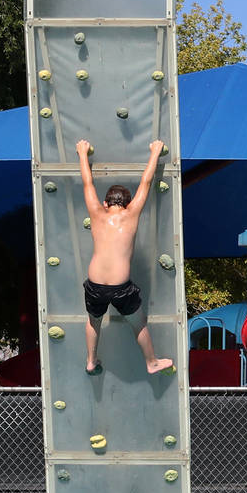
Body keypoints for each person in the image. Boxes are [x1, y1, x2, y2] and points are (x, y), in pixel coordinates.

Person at [76, 138, 174, 376]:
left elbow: (87, 183)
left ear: (105, 202)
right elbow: (146, 181)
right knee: (138, 324)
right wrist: (155, 152)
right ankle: (151, 362)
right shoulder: (132, 214)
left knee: (93, 322)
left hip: (96, 282)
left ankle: (91, 360)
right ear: (128, 203)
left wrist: (82, 154)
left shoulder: (97, 213)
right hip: (121, 286)